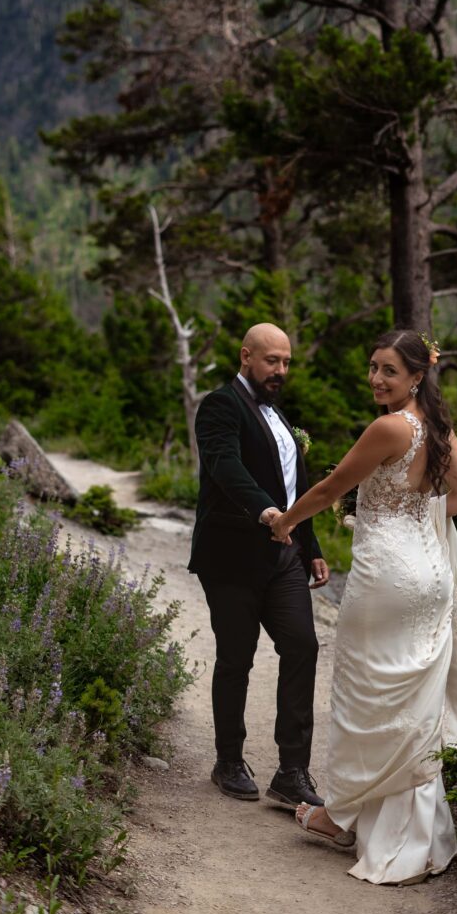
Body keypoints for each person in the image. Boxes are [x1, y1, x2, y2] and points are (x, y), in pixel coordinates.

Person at [270, 328, 457, 885]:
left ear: (417, 376)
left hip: (387, 580)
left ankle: (341, 817)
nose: (377, 379)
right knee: (412, 706)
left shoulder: (388, 428)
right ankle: (410, 835)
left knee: (364, 695)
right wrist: (414, 521)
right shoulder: (437, 428)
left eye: (389, 371)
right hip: (430, 575)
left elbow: (331, 490)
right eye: (373, 368)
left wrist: (284, 522)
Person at [188, 322, 330, 807]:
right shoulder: (220, 406)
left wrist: (309, 545)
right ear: (247, 355)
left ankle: (292, 771)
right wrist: (265, 511)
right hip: (231, 554)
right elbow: (225, 466)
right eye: (272, 360)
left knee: (302, 646)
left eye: (287, 362)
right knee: (236, 658)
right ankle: (228, 759)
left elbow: (295, 488)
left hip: (284, 556)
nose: (281, 370)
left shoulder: (280, 417)